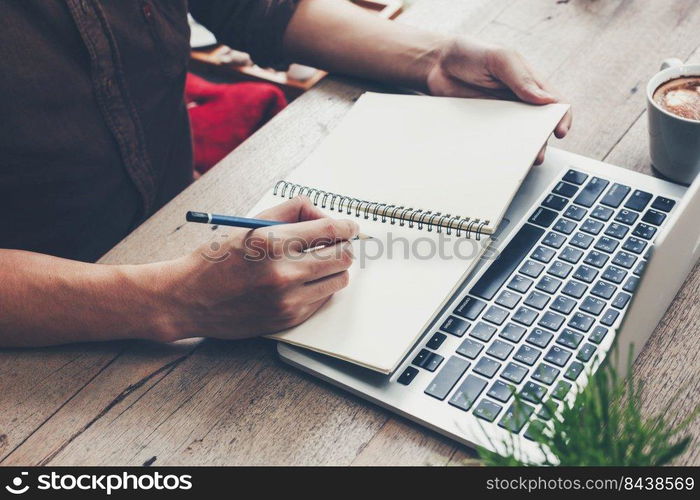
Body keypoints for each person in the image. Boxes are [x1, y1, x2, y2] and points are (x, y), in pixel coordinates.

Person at [0, 0, 571, 347]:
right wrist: (173, 300)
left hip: (184, 229)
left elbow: (255, 7)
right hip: (49, 329)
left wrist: (433, 57)